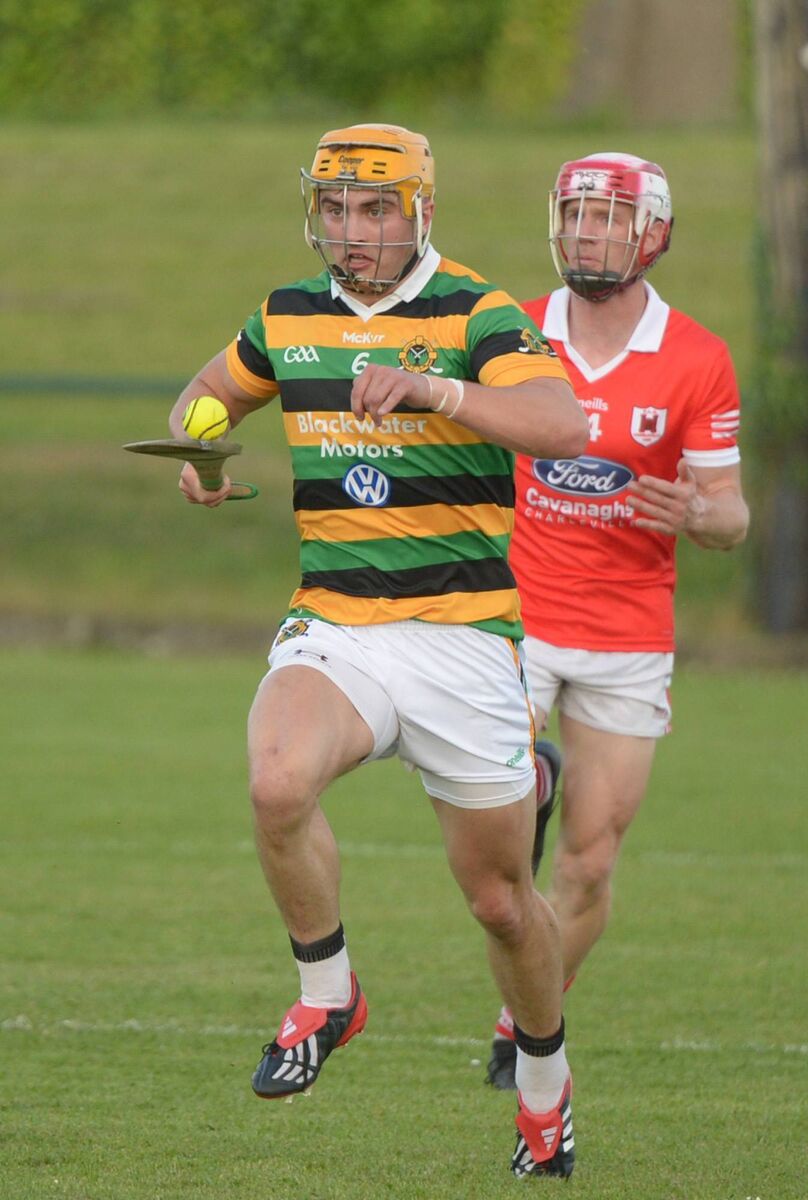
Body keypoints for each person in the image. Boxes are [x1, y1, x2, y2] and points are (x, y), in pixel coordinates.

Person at [168, 124, 590, 1179]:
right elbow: (204, 396)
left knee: (499, 903)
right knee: (275, 782)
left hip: (462, 639)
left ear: (421, 211)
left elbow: (559, 421)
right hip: (338, 623)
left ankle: (543, 1089)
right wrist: (203, 449)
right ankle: (328, 994)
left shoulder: (475, 312)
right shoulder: (287, 315)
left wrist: (439, 390)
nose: (351, 234)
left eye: (376, 210)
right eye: (335, 211)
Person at [483, 151, 749, 1088]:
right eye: (576, 216)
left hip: (630, 632)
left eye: (607, 218)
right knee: (493, 820)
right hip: (517, 614)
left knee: (589, 868)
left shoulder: (699, 359)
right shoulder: (510, 331)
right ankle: (535, 783)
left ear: (654, 235)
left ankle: (527, 1021)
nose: (587, 234)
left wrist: (701, 516)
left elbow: (731, 512)